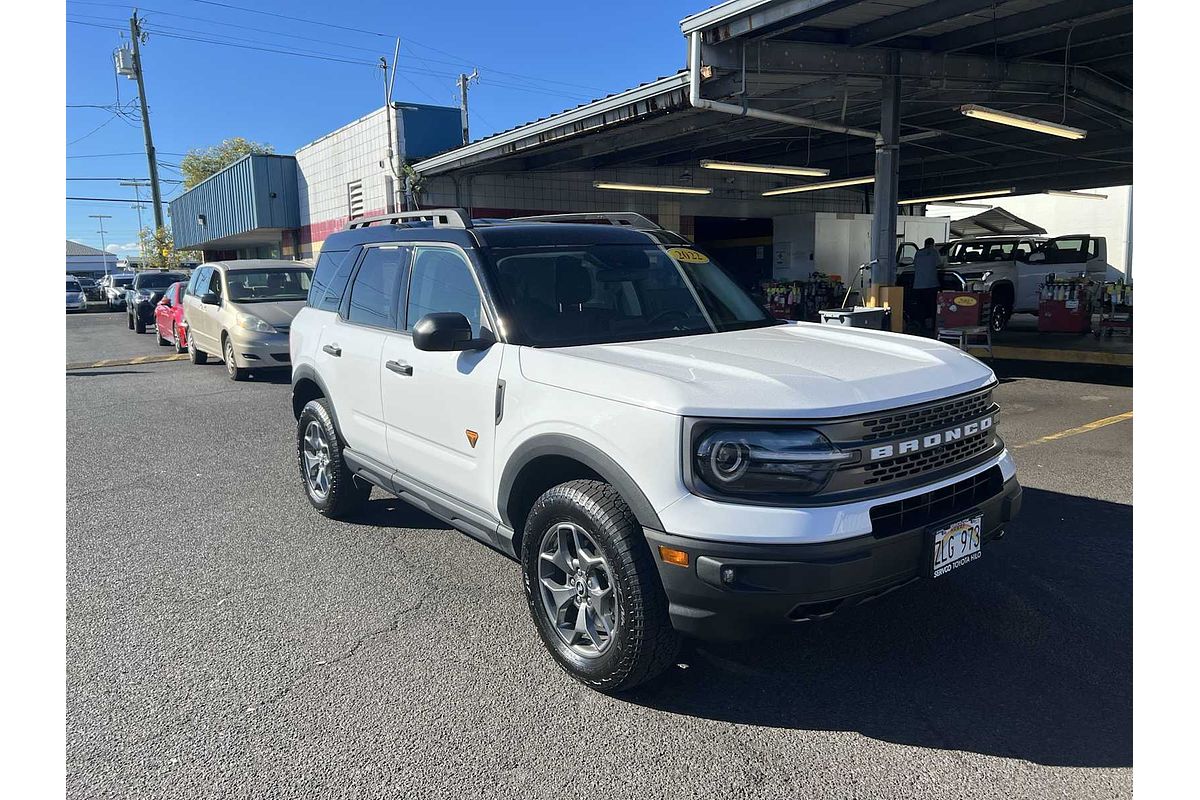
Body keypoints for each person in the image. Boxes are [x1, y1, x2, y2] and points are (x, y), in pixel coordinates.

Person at [911, 237, 941, 334]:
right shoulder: (934, 252)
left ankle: (921, 325)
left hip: (918, 285)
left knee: (921, 306)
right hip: (931, 284)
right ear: (933, 244)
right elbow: (939, 264)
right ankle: (932, 326)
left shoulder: (918, 253)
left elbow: (915, 265)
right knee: (932, 306)